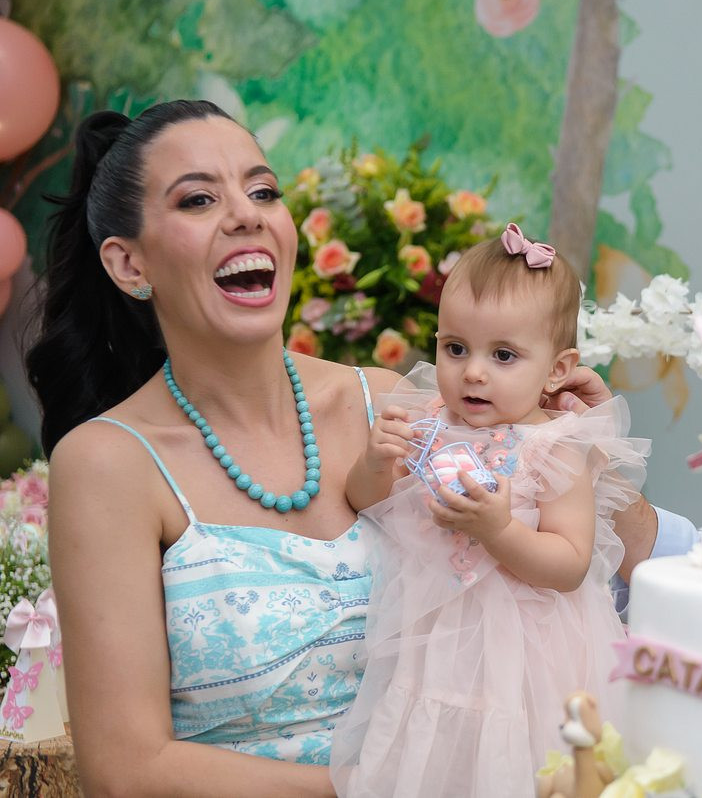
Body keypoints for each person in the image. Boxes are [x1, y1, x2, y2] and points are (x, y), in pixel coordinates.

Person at [24, 100, 665, 797]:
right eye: (199, 199)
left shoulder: (397, 404)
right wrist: (391, 785)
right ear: (129, 264)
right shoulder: (109, 463)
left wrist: (582, 446)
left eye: (263, 191)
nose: (246, 215)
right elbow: (127, 772)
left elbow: (617, 566)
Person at [328, 225, 647, 797]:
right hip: (437, 638)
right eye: (455, 349)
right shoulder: (430, 421)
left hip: (526, 651)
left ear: (557, 370)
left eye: (503, 355)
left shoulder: (555, 446)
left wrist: (498, 530)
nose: (473, 372)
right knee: (437, 759)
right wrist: (376, 462)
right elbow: (365, 502)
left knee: (517, 761)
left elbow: (571, 563)